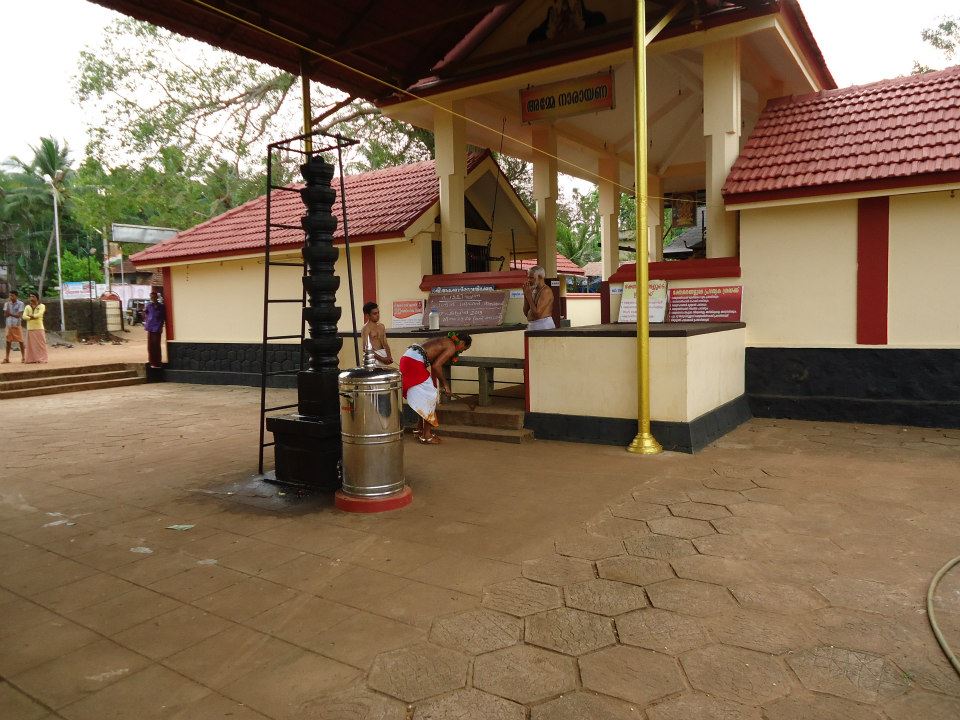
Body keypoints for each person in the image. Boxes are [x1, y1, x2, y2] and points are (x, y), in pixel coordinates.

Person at [399, 331, 472, 444]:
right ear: (461, 342)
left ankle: (420, 430)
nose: (461, 351)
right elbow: (437, 365)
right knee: (431, 397)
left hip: (407, 358)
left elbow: (433, 363)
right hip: (414, 362)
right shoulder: (451, 347)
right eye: (464, 349)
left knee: (425, 397)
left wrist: (435, 383)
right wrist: (445, 385)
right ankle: (427, 435)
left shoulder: (443, 340)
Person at [360, 301, 393, 366]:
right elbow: (366, 349)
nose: (377, 315)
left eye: (378, 313)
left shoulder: (381, 326)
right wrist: (382, 359)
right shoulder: (366, 328)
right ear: (367, 315)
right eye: (374, 314)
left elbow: (385, 344)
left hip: (384, 355)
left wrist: (389, 357)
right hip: (373, 359)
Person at [522, 265, 556, 330]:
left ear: (540, 277)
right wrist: (525, 294)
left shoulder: (546, 291)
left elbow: (537, 314)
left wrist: (528, 296)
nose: (529, 280)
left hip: (543, 325)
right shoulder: (533, 290)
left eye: (531, 278)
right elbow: (526, 313)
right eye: (528, 277)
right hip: (533, 325)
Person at [22, 292, 48, 364]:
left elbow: (39, 314)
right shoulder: (27, 307)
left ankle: (42, 359)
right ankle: (31, 359)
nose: (31, 298)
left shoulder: (42, 306)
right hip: (30, 328)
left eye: (33, 297)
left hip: (39, 327)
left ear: (37, 298)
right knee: (30, 345)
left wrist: (30, 316)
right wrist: (32, 317)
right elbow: (24, 316)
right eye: (30, 297)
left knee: (41, 344)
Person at [144, 291, 166, 368]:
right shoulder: (149, 305)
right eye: (151, 297)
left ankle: (157, 362)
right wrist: (146, 322)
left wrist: (160, 326)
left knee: (156, 345)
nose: (152, 298)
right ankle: (151, 361)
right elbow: (146, 314)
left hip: (157, 328)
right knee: (150, 346)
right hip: (150, 327)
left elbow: (163, 317)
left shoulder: (161, 306)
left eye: (153, 297)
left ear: (157, 297)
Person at [3, 290, 25, 364]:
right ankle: (7, 358)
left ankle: (23, 357)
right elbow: (5, 315)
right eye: (10, 295)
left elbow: (19, 315)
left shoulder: (21, 303)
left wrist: (10, 314)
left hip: (17, 325)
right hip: (9, 325)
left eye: (12, 295)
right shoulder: (7, 304)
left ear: (16, 296)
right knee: (8, 342)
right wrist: (8, 313)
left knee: (21, 341)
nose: (10, 297)